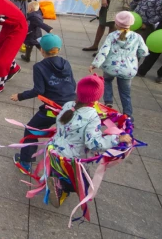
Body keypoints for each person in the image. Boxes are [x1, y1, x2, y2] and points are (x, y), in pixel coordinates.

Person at [46, 75, 132, 207]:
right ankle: (61, 187)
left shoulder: (69, 105)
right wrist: (117, 138)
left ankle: (56, 181)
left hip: (55, 149)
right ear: (97, 97)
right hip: (73, 157)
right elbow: (93, 143)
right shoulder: (92, 115)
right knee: (81, 182)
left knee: (59, 170)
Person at [10, 34, 76, 172]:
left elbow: (39, 90)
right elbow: (72, 84)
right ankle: (64, 164)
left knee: (31, 130)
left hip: (51, 109)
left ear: (42, 50)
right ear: (58, 49)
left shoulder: (39, 67)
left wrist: (20, 96)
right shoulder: (66, 63)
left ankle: (25, 162)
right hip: (71, 107)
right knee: (63, 134)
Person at [90, 11, 149, 117]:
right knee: (125, 93)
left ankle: (108, 101)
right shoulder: (137, 37)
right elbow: (143, 52)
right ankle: (128, 115)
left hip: (111, 67)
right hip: (128, 69)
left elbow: (104, 51)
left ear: (116, 24)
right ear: (131, 23)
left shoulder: (112, 36)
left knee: (107, 81)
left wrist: (95, 64)